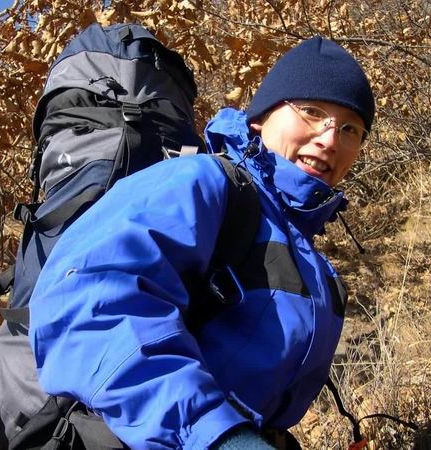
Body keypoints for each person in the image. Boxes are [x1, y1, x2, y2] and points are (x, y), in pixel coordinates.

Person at [28, 36, 375, 449]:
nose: (329, 139)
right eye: (312, 112)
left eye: (350, 129)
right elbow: (89, 305)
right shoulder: (202, 181)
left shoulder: (311, 261)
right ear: (261, 118)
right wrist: (221, 437)